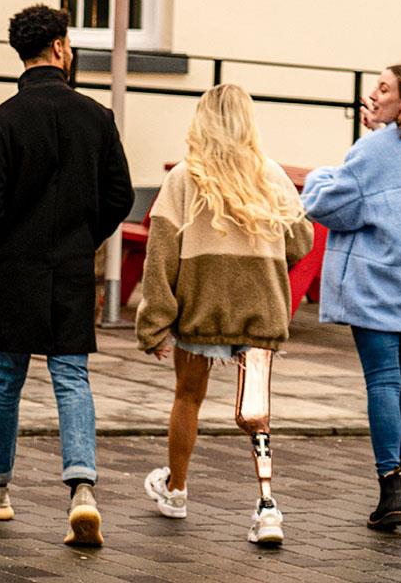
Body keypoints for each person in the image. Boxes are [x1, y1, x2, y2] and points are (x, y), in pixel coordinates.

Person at [0, 5, 133, 548]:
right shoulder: (96, 117)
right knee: (71, 376)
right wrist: (85, 236)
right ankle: (82, 488)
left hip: (16, 266)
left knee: (5, 380)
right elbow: (120, 197)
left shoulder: (2, 120)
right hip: (72, 265)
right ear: (59, 48)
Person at [133, 84, 315, 548]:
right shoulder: (270, 176)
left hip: (202, 309)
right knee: (256, 411)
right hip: (259, 310)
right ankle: (267, 506)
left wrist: (154, 322)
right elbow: (302, 242)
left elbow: (160, 257)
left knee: (188, 397)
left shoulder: (184, 179)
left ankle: (176, 490)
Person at [299, 64, 401, 532]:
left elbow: (327, 205)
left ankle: (388, 487)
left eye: (384, 89)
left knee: (382, 381)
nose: (373, 94)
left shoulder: (373, 149)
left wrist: (327, 172)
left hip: (378, 283)